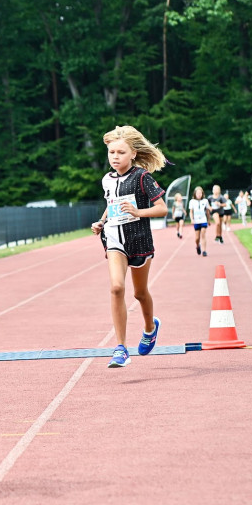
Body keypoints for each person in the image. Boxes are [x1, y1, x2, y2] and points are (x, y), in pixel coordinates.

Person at [90, 125, 167, 369]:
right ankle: (121, 348)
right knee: (116, 288)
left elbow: (162, 208)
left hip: (139, 240)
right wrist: (102, 221)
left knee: (139, 293)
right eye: (111, 152)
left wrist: (138, 211)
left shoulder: (142, 177)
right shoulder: (107, 179)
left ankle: (149, 328)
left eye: (120, 152)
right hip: (114, 239)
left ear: (133, 153)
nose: (115, 157)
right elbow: (111, 203)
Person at [188, 186, 211, 257]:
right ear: (195, 194)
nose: (199, 194)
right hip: (196, 221)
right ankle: (198, 245)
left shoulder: (205, 201)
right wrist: (192, 219)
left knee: (203, 235)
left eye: (200, 193)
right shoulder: (192, 201)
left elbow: (207, 212)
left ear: (202, 194)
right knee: (197, 238)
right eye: (197, 193)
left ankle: (204, 251)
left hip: (203, 220)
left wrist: (209, 220)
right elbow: (191, 212)